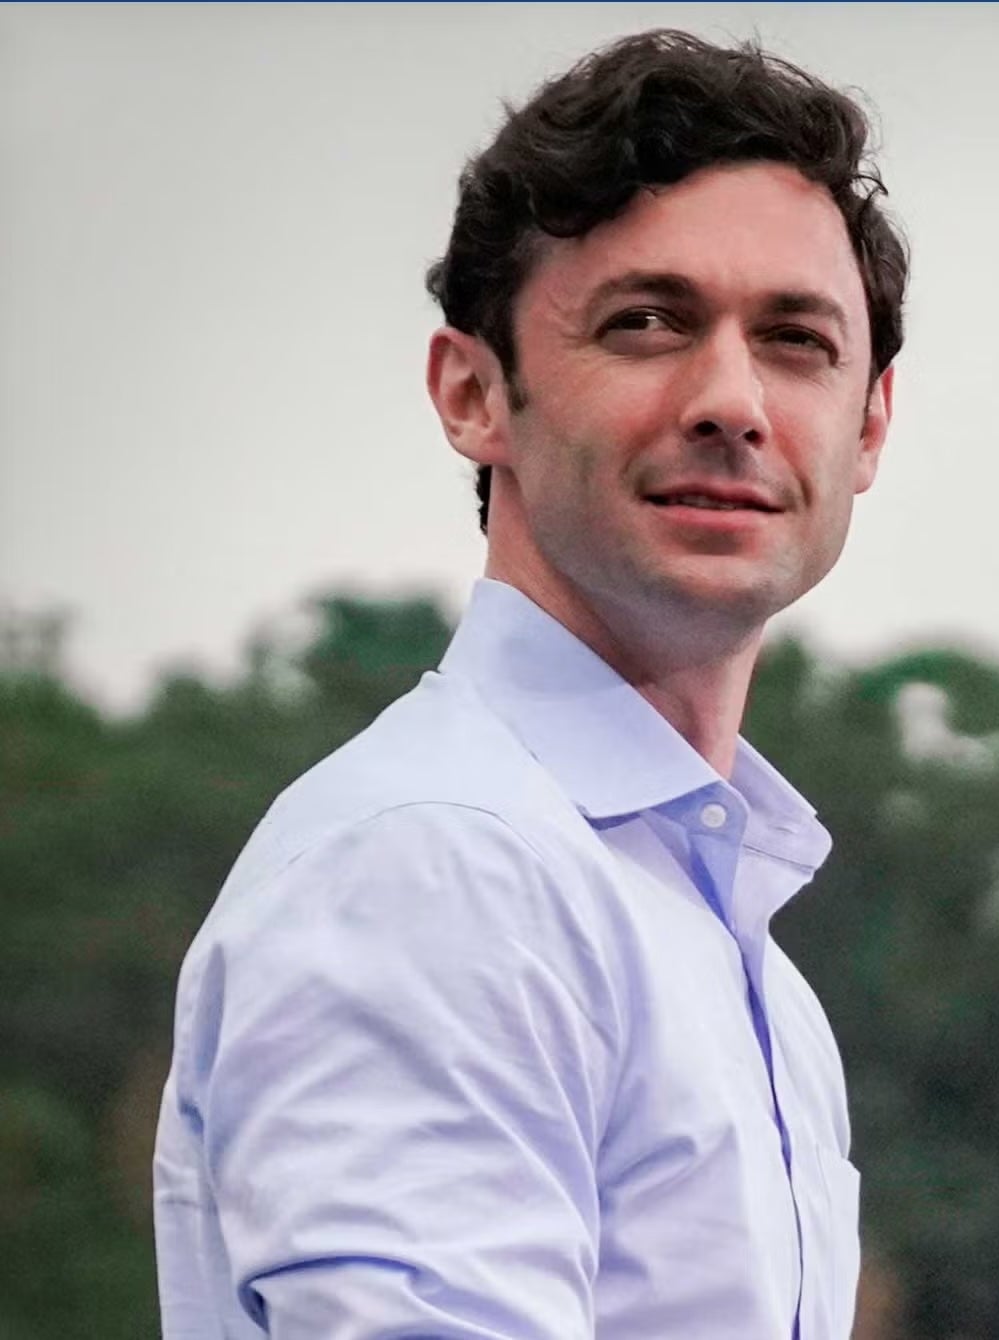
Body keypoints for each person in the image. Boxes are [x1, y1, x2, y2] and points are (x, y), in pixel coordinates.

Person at [153, 27, 908, 1340]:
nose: (731, 400)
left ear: (870, 427)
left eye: (796, 340)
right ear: (473, 392)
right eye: (647, 322)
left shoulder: (738, 964)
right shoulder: (441, 866)